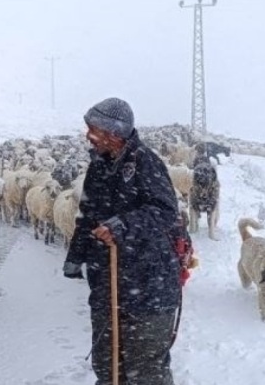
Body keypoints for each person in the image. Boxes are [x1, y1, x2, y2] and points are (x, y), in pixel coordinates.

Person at [64, 97, 184, 385]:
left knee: (145, 372)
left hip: (148, 286)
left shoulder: (146, 163)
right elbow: (89, 213)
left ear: (113, 133)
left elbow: (165, 211)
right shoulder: (99, 167)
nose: (88, 136)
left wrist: (123, 225)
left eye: (93, 130)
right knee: (108, 367)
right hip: (108, 284)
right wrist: (76, 254)